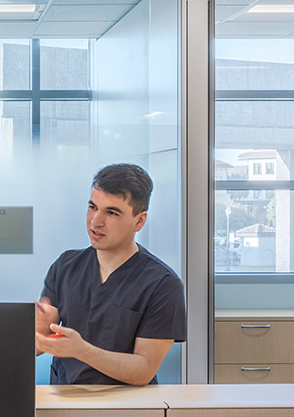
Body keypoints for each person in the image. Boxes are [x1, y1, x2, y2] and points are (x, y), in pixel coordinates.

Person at [34, 163, 186, 386]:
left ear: (139, 220)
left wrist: (82, 350)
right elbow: (42, 342)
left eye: (112, 212)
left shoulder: (162, 284)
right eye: (93, 207)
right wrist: (36, 331)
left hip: (125, 409)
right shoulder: (65, 266)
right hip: (65, 402)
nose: (96, 222)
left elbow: (144, 369)